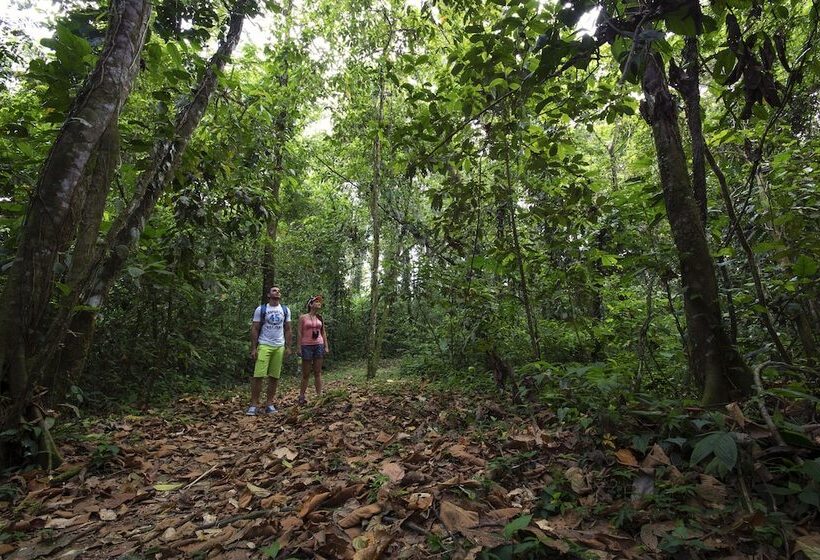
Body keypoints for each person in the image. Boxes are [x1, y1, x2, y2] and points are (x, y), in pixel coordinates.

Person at [247, 286, 292, 415]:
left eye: (278, 291)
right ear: (268, 295)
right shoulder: (261, 309)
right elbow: (255, 328)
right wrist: (254, 348)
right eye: (274, 290)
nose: (277, 292)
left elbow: (288, 329)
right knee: (258, 375)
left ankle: (269, 404)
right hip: (264, 344)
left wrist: (288, 347)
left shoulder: (285, 310)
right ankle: (254, 404)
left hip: (279, 346)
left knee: (274, 376)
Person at [297, 295, 330, 405]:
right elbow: (299, 333)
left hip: (318, 345)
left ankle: (319, 395)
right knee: (306, 373)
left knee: (318, 372)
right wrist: (298, 347)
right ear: (310, 304)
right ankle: (302, 396)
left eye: (319, 302)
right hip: (306, 345)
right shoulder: (303, 317)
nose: (319, 303)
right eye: (316, 301)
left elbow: (323, 332)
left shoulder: (320, 318)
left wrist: (326, 346)